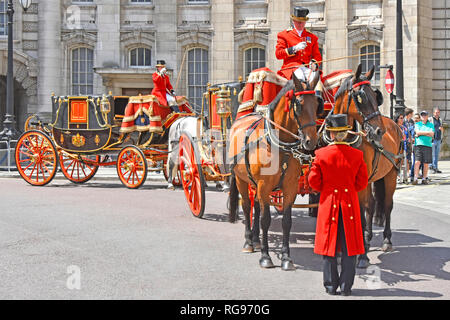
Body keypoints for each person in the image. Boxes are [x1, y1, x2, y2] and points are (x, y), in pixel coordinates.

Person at [308, 114, 368, 296]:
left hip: (328, 204)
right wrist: (348, 188)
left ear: (331, 135)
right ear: (346, 134)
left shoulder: (321, 154)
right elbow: (362, 183)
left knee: (329, 246)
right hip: (349, 204)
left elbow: (313, 181)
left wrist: (326, 188)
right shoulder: (357, 155)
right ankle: (346, 287)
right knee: (350, 247)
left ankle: (330, 285)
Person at [275, 6, 322, 80]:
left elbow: (317, 56)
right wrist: (294, 48)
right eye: (298, 22)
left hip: (307, 68)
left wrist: (314, 63)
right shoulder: (284, 35)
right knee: (300, 77)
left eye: (302, 22)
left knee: (316, 80)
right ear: (293, 21)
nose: (300, 24)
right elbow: (278, 54)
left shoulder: (312, 37)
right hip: (291, 68)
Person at [412, 110, 434, 185]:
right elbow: (417, 132)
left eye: (425, 115)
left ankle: (424, 178)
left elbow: (432, 134)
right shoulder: (417, 124)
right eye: (422, 115)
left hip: (428, 145)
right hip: (418, 145)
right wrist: (427, 133)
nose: (423, 116)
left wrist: (421, 133)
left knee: (425, 163)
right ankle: (415, 178)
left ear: (427, 116)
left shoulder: (431, 125)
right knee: (417, 162)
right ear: (421, 117)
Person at [395, 113, 410, 183]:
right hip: (397, 147)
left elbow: (406, 137)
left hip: (404, 146)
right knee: (397, 162)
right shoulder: (395, 127)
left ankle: (405, 176)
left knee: (404, 161)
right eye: (400, 118)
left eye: (402, 118)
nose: (402, 119)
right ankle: (398, 176)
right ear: (397, 119)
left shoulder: (404, 128)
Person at [431, 107, 444, 174]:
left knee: (436, 154)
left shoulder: (440, 120)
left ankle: (436, 167)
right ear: (433, 113)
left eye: (438, 112)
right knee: (432, 154)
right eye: (436, 112)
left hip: (439, 139)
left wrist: (442, 129)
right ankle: (432, 167)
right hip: (433, 139)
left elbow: (442, 129)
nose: (437, 114)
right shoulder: (431, 119)